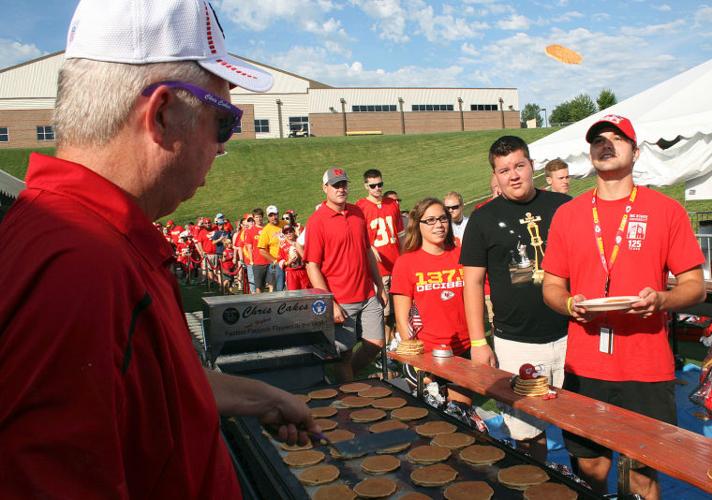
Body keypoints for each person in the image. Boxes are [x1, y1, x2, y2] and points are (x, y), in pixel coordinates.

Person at [0, 1, 317, 497]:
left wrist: (259, 398)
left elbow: (146, 388)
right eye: (224, 122)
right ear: (163, 114)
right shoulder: (79, 268)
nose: (222, 147)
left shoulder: (92, 238)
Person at [541, 115, 705, 498]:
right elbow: (551, 285)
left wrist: (663, 299)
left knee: (643, 473)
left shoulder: (666, 211)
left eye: (617, 138)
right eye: (598, 139)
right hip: (586, 365)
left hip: (646, 367)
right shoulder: (568, 214)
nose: (606, 143)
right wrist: (568, 304)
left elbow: (694, 286)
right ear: (590, 152)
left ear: (635, 150)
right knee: (590, 466)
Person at [460, 135, 570, 462]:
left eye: (519, 165)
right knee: (527, 435)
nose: (513, 175)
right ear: (495, 176)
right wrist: (479, 342)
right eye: (504, 170)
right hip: (517, 342)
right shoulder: (482, 219)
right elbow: (473, 283)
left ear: (532, 166)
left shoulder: (564, 207)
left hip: (572, 336)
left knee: (583, 435)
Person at [304, 167, 387, 382]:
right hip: (340, 297)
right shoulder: (317, 220)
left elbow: (367, 251)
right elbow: (312, 265)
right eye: (335, 185)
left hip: (367, 293)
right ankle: (349, 396)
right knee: (345, 353)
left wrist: (380, 284)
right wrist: (329, 302)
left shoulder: (357, 212)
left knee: (376, 343)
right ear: (325, 188)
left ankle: (348, 379)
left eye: (343, 184)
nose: (341, 189)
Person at [391, 197, 471, 403]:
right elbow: (402, 316)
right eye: (431, 220)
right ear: (418, 224)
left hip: (462, 348)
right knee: (432, 417)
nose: (439, 225)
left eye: (443, 219)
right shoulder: (406, 262)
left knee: (462, 410)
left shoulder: (463, 256)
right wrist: (413, 354)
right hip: (424, 351)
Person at [356, 168, 403, 344]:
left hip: (396, 265)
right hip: (378, 268)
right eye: (373, 185)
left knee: (397, 311)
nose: (377, 188)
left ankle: (392, 346)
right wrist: (369, 247)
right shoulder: (360, 206)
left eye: (380, 184)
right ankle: (378, 350)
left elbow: (400, 234)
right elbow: (358, 236)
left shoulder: (392, 204)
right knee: (382, 312)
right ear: (366, 186)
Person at [258, 204, 287, 292]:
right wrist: (274, 261)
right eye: (271, 215)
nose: (273, 217)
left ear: (278, 214)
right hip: (278, 264)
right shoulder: (266, 230)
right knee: (280, 288)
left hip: (290, 260)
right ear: (268, 217)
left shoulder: (284, 224)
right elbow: (261, 250)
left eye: (275, 214)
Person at [278, 224, 311, 290]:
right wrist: (288, 262)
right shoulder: (282, 245)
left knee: (306, 291)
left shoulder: (301, 242)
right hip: (291, 272)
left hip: (303, 271)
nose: (289, 234)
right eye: (286, 233)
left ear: (294, 231)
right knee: (293, 292)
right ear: (284, 234)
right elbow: (280, 259)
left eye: (290, 231)